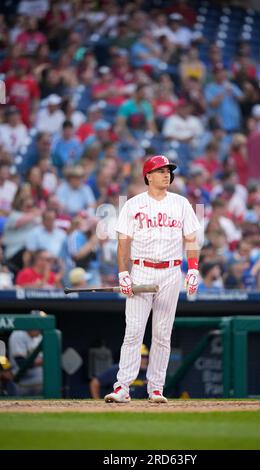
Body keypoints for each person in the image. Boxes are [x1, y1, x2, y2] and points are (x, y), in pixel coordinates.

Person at [104, 155, 201, 404]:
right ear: (148, 175)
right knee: (134, 331)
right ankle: (122, 387)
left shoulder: (181, 203)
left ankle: (156, 388)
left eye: (168, 170)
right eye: (160, 170)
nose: (166, 174)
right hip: (142, 270)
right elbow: (123, 241)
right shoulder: (134, 204)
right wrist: (123, 273)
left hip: (171, 272)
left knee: (162, 334)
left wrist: (193, 269)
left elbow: (191, 238)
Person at [8, 329, 43, 396]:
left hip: (38, 380)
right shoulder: (18, 334)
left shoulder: (39, 337)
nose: (39, 330)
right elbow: (21, 362)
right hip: (21, 382)